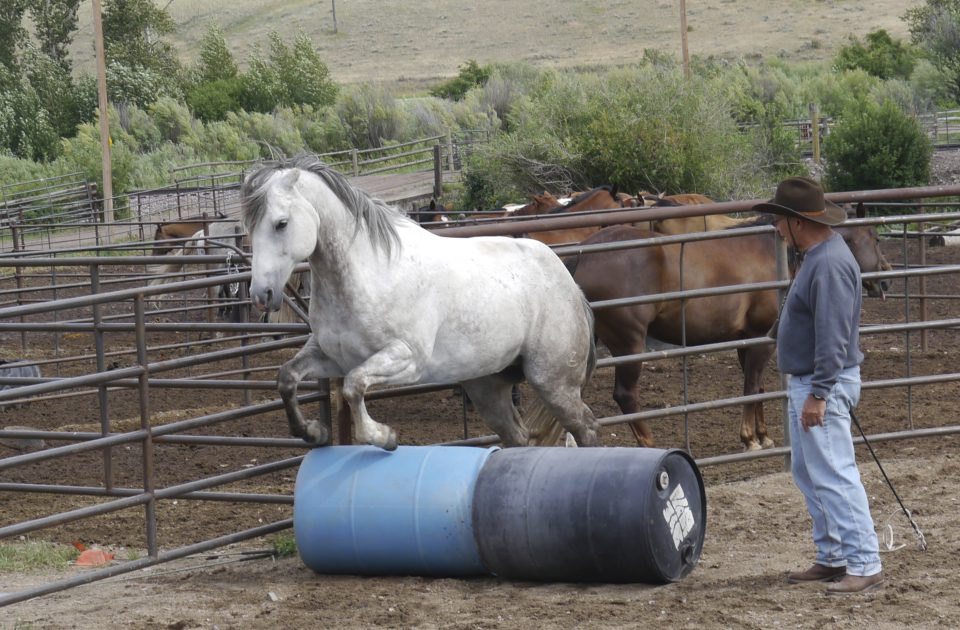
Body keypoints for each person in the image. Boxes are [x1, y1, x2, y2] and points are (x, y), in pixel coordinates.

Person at [753, 177, 883, 595]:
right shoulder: (817, 256)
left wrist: (820, 394)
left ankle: (864, 561)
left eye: (779, 222)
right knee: (810, 471)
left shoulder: (827, 264)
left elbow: (833, 337)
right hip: (811, 381)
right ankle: (833, 556)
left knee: (834, 474)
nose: (775, 228)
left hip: (819, 384)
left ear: (797, 223)